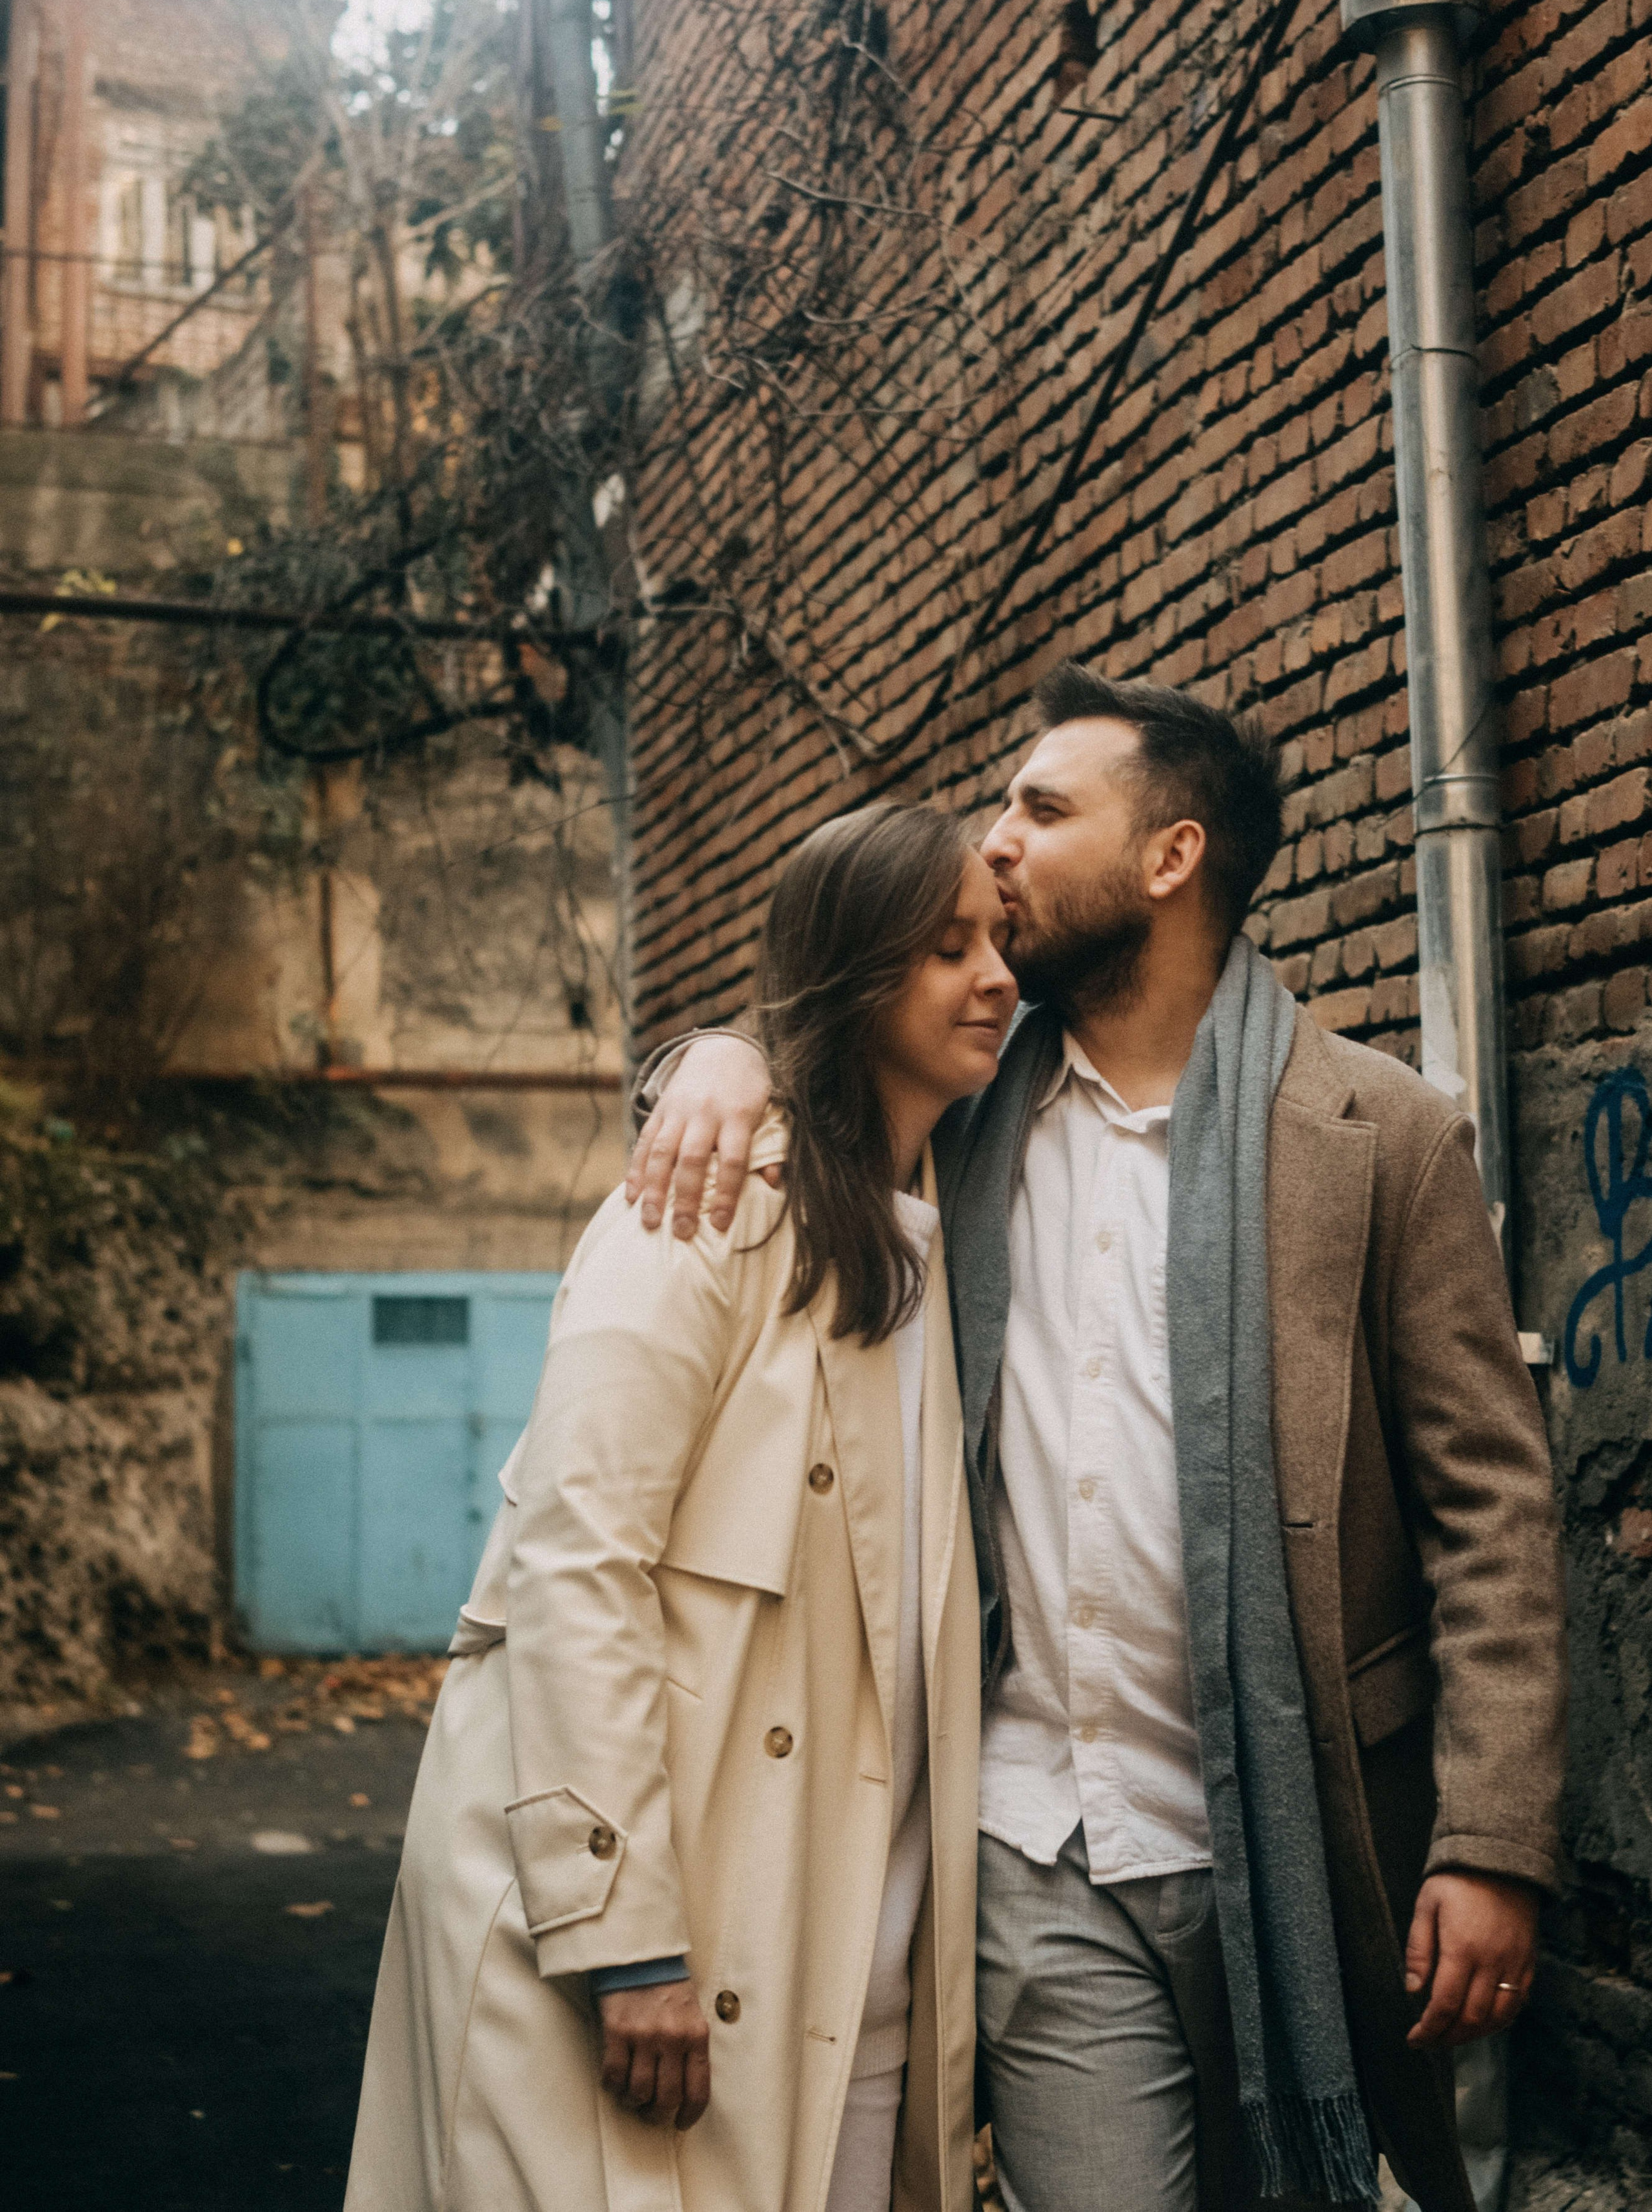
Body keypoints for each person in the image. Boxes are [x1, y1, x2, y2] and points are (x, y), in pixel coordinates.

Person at [627, 666, 1568, 2212]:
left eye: (1040, 809)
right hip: (1032, 1832)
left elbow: (1490, 1513)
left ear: (1169, 856)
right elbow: (809, 1057)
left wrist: (1491, 1838)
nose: (993, 840)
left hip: (1302, 1837)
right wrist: (709, 1057)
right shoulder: (958, 1112)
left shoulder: (1379, 1134)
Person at [343, 800, 1015, 2212]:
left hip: (848, 1971)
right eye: (947, 946)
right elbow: (573, 1557)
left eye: (999, 940)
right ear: (855, 973)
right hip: (652, 1953)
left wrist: (712, 1054)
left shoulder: (950, 1231)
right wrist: (620, 1931)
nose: (995, 977)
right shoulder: (700, 1209)